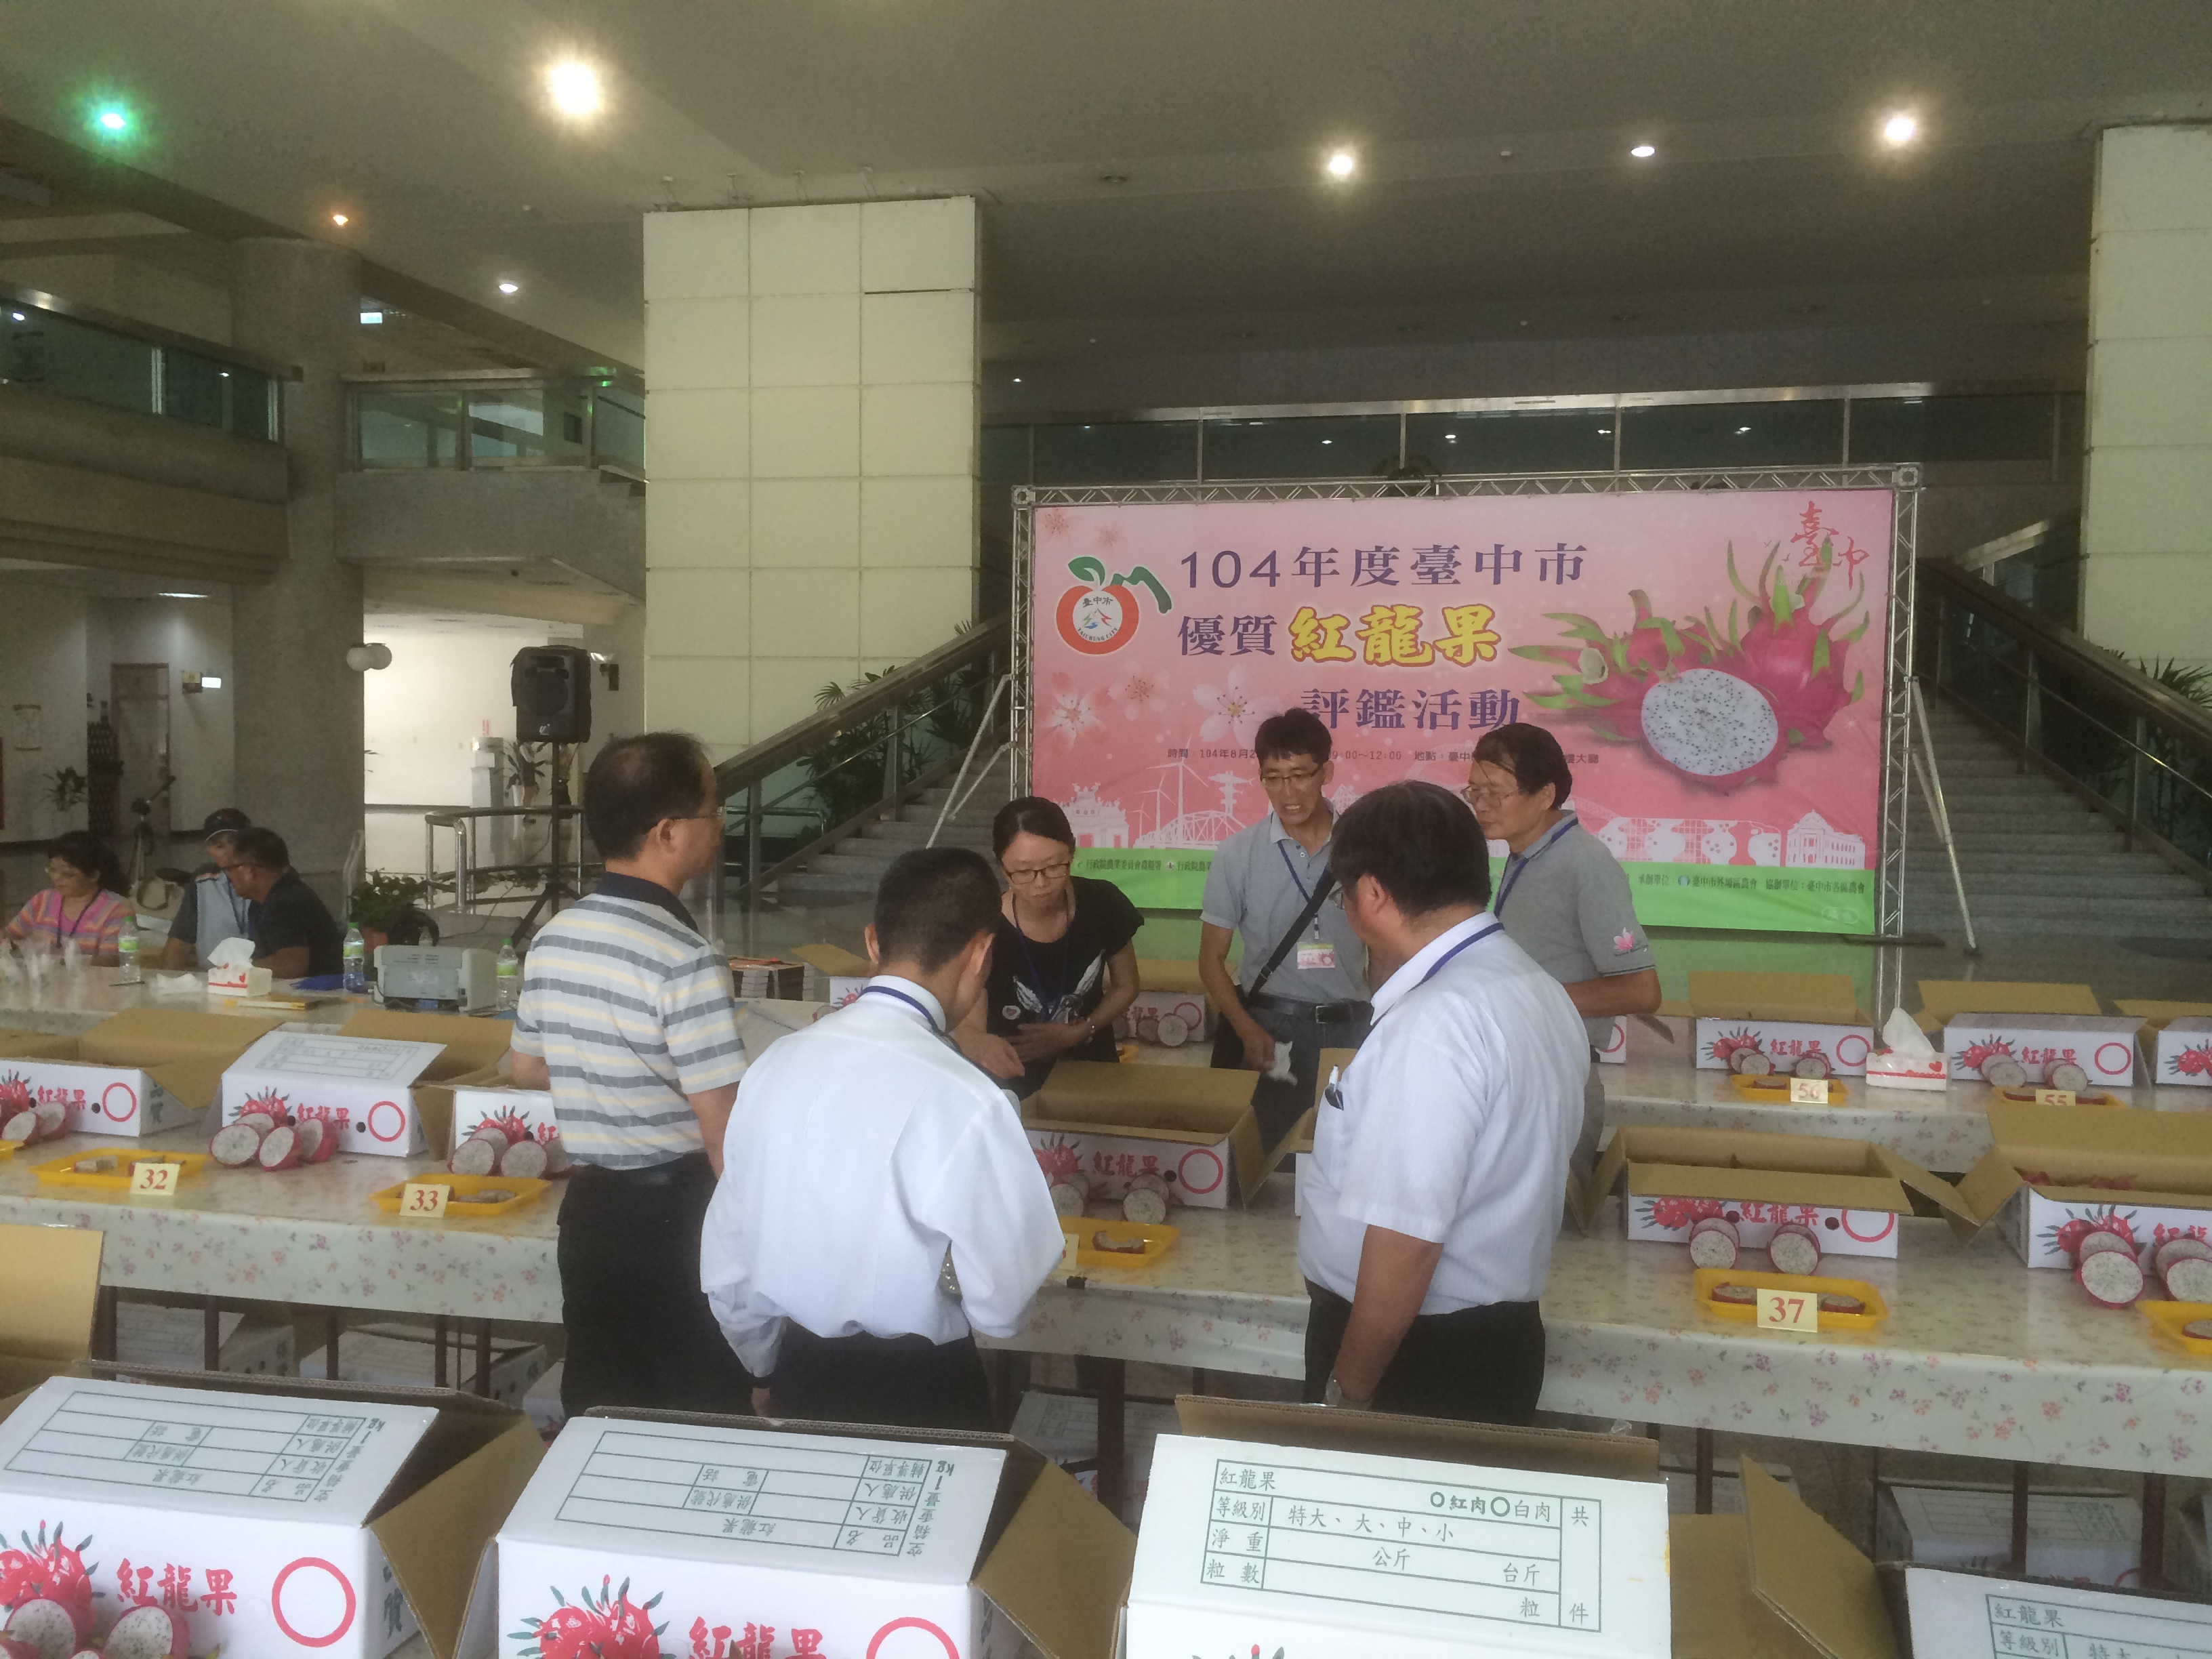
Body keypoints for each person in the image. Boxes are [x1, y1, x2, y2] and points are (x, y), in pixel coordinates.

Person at [702, 846, 1065, 1431]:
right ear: (981, 954)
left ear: (873, 943)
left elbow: (730, 1260)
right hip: (922, 1388)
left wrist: (764, 1371)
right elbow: (1001, 1303)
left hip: (803, 1372)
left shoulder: (774, 1066)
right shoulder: (969, 1101)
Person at [1298, 780, 1588, 1425]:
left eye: (1343, 894)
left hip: (1417, 1358)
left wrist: (1350, 1394)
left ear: (1372, 894)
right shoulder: (1532, 984)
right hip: (1495, 1339)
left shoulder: (1433, 1023)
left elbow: (1406, 1242)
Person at [507, 731, 755, 1416]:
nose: (720, 824)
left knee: (602, 1411)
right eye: (713, 809)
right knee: (699, 1414)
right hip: (677, 1221)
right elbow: (722, 1135)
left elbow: (526, 1067)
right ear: (668, 833)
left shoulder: (554, 937)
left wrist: (606, 1069)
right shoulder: (683, 956)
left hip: (593, 1216)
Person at [1467, 724, 1660, 1175]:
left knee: (1548, 1215)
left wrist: (1524, 997)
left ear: (1545, 794)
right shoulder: (1524, 854)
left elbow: (1642, 991)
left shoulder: (1584, 862)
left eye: (1496, 792)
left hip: (1555, 1073)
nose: (1481, 804)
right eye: (1474, 791)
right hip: (1515, 1067)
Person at [1197, 709, 1370, 1147]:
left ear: (1326, 772)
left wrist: (1383, 1023)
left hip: (1352, 1028)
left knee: (1349, 1152)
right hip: (1273, 1032)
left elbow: (1388, 949)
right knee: (1273, 1156)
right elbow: (1211, 960)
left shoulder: (1366, 848)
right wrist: (1245, 1028)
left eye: (1299, 776)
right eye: (1273, 778)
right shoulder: (1237, 854)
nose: (1287, 793)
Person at [954, 796, 1143, 1097]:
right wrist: (979, 1044)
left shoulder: (1103, 903)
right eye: (1023, 872)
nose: (1041, 883)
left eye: (1054, 866)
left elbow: (1127, 985)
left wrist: (1082, 1030)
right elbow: (969, 1025)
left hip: (1091, 1065)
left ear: (1072, 852)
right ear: (1002, 867)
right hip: (1014, 1075)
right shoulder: (984, 927)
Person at [224, 827, 344, 979]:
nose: (229, 877)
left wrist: (238, 968)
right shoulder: (267, 900)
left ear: (250, 871)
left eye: (230, 869)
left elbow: (291, 966)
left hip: (316, 991)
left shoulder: (284, 904)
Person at [5, 832, 131, 964]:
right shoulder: (43, 900)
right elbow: (11, 935)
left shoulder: (116, 909)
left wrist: (59, 962)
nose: (56, 878)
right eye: (53, 870)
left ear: (94, 875)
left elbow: (110, 963)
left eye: (67, 874)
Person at [159, 808, 255, 969]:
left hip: (263, 977)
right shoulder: (202, 879)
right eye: (218, 846)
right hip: (211, 977)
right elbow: (180, 942)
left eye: (234, 842)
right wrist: (167, 980)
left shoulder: (268, 875)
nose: (227, 852)